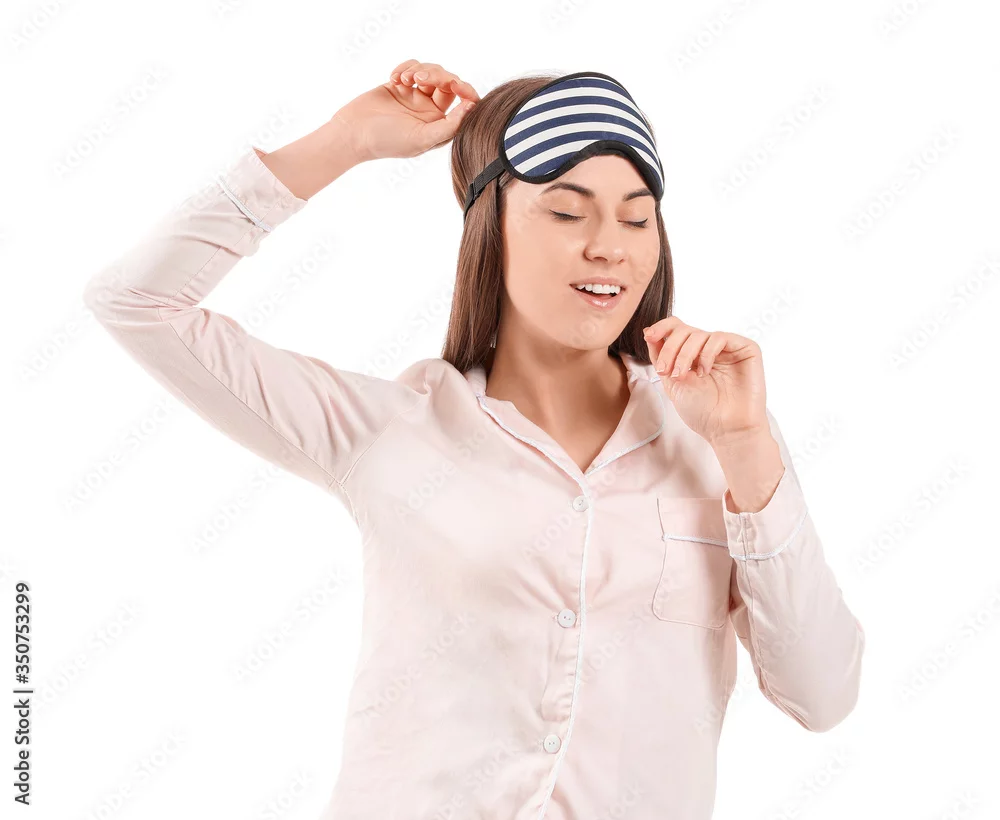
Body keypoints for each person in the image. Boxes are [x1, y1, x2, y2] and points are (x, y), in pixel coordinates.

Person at [83, 59, 865, 820]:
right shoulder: (390, 431)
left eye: (636, 217)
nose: (610, 246)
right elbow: (135, 301)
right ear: (491, 228)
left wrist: (745, 445)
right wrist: (345, 142)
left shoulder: (718, 439)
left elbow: (823, 695)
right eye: (567, 212)